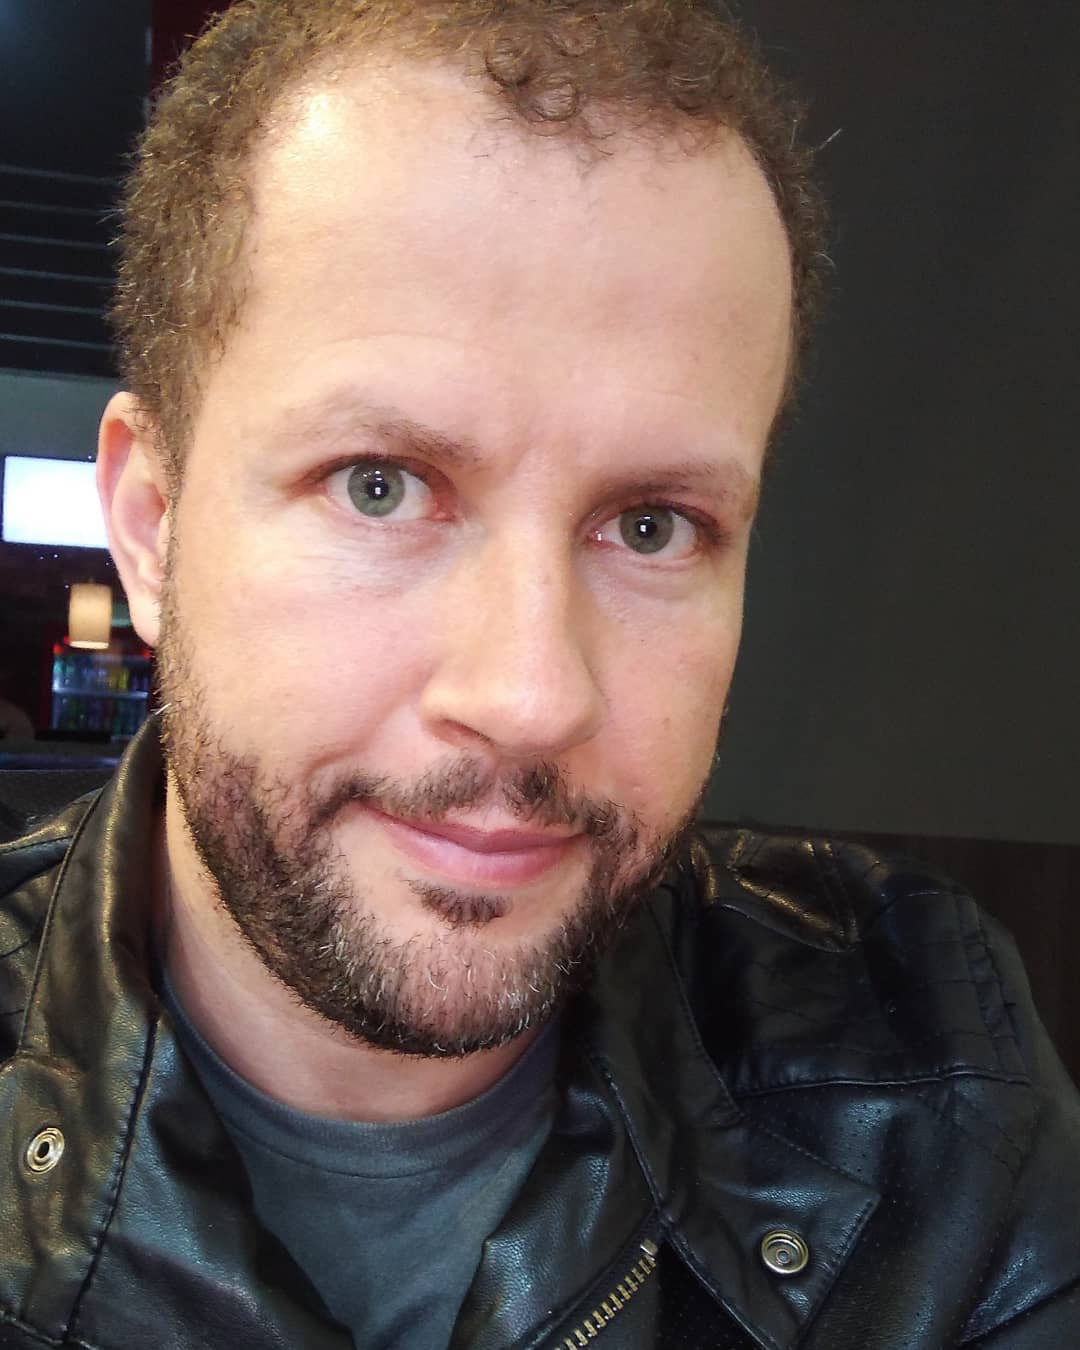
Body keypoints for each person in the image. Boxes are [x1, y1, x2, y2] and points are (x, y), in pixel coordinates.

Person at [2, 2, 1078, 1346]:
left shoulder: (933, 1078)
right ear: (152, 525)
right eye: (381, 486)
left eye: (651, 526)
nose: (532, 697)